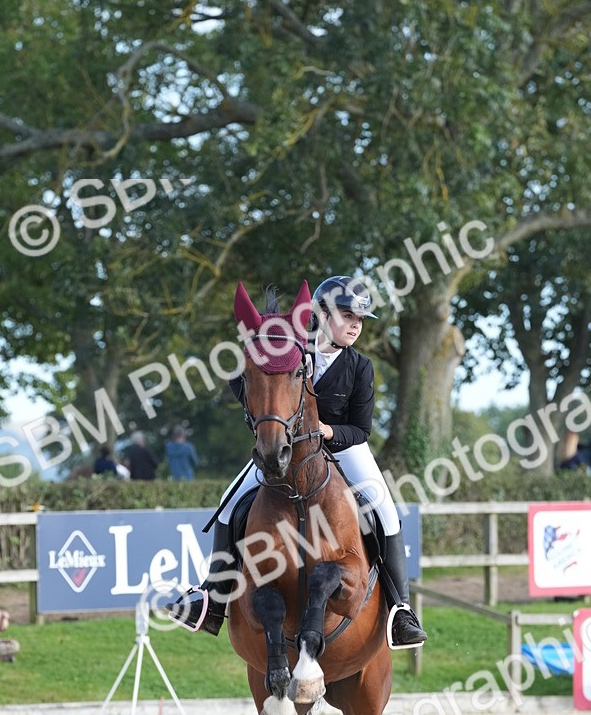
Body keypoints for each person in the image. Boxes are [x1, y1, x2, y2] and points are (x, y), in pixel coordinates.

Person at [169, 275, 427, 648]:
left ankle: (400, 609)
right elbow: (247, 379)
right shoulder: (291, 348)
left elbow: (361, 429)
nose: (356, 325)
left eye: (360, 319)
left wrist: (327, 432)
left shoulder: (360, 367)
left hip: (343, 449)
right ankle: (212, 599)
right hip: (289, 453)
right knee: (228, 505)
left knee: (385, 508)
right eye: (347, 315)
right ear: (321, 314)